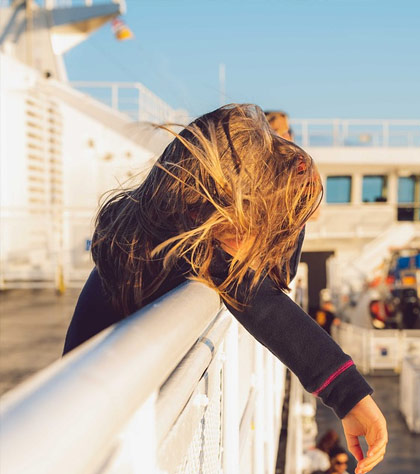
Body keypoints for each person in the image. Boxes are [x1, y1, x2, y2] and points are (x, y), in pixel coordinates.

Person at [63, 104, 387, 473]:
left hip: (88, 421)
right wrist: (349, 396)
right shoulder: (185, 248)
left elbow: (272, 280)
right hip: (92, 441)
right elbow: (266, 299)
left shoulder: (153, 229)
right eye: (258, 221)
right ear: (222, 204)